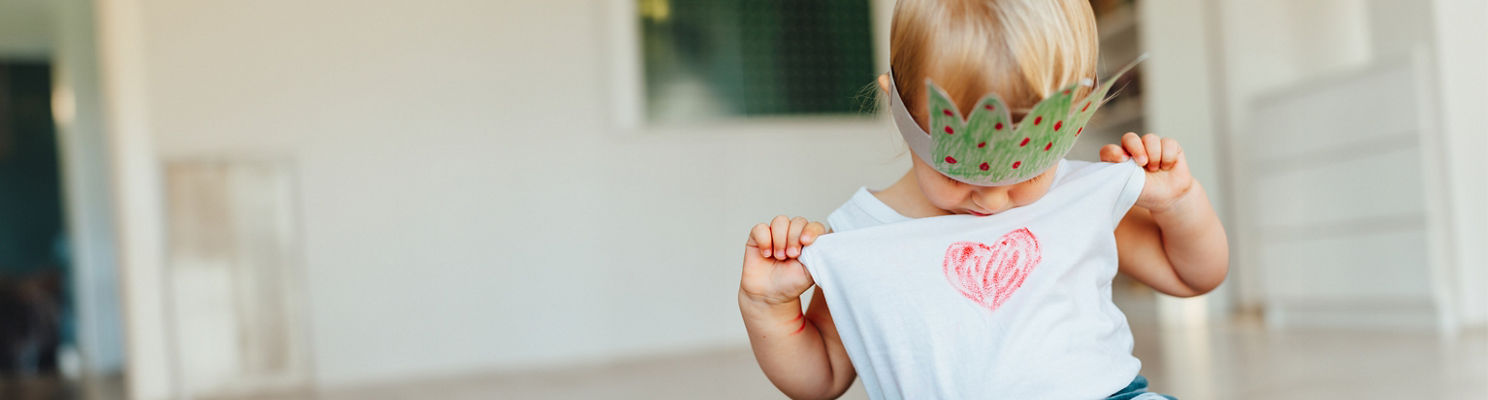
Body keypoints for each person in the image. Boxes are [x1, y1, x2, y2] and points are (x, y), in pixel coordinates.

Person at [736, 1, 1229, 398]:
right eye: (960, 173)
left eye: (1027, 172)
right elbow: (821, 378)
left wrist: (1179, 202)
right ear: (899, 108)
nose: (994, 202)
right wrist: (769, 309)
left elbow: (1192, 274)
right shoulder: (863, 236)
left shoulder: (1073, 194)